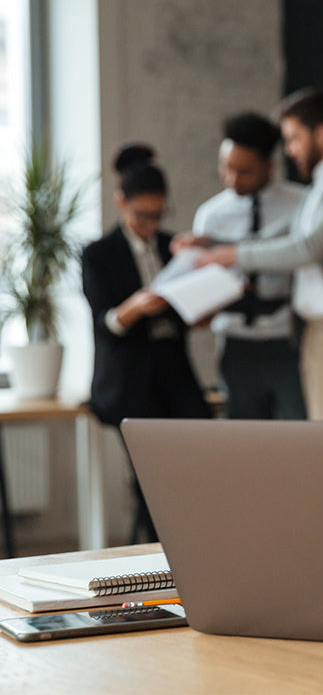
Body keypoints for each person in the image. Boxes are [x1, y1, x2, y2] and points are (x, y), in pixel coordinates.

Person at [197, 89, 323, 421]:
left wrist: (233, 254)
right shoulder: (322, 183)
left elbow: (312, 247)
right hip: (316, 333)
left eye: (293, 139)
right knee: (320, 439)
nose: (288, 150)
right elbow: (279, 236)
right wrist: (212, 244)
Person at [82, 144, 211, 542]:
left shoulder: (173, 247)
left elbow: (188, 313)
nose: (152, 224)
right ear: (121, 203)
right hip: (129, 380)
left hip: (174, 374)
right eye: (143, 215)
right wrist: (135, 307)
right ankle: (163, 557)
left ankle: (196, 547)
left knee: (201, 463)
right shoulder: (99, 254)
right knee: (153, 480)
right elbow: (104, 325)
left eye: (159, 214)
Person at [191, 112, 307, 419]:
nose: (232, 179)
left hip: (288, 340)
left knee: (297, 434)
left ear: (269, 165)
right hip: (234, 343)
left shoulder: (301, 204)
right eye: (226, 167)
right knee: (243, 438)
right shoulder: (211, 215)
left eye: (244, 171)